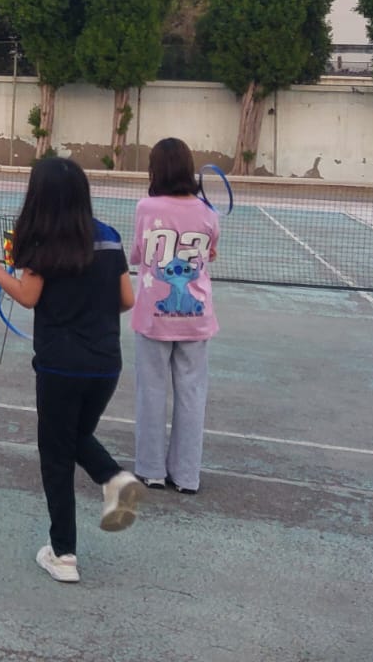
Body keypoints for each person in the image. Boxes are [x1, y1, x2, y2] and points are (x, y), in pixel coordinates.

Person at [0, 156, 143, 583]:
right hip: (105, 366)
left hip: (61, 367)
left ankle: (64, 553)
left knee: (57, 456)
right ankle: (113, 482)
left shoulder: (42, 242)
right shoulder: (109, 238)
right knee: (75, 438)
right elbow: (126, 300)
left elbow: (27, 296)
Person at [130, 138, 219, 495]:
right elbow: (210, 252)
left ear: (156, 170)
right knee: (192, 395)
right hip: (196, 318)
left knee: (150, 392)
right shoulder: (208, 212)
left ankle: (151, 469)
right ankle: (186, 476)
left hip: (153, 317)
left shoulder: (145, 208)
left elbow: (138, 254)